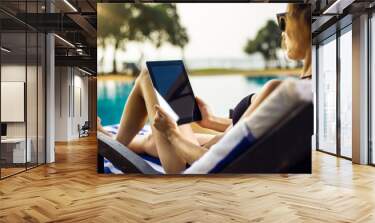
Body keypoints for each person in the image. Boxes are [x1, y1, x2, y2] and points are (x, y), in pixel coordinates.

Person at [98, 3, 312, 174]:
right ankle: (113, 141)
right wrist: (211, 121)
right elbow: (258, 125)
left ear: (303, 24)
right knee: (153, 137)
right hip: (211, 144)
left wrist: (173, 135)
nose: (282, 30)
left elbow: (214, 160)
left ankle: (113, 147)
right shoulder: (304, 91)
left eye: (284, 20)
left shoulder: (279, 89)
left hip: (192, 161)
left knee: (149, 75)